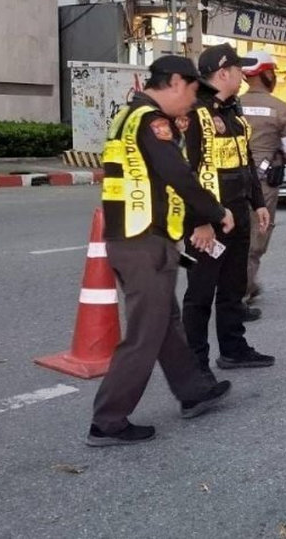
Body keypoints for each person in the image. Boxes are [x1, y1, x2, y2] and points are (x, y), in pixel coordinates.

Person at [90, 55, 233, 446]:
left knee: (165, 324)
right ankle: (108, 420)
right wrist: (215, 211)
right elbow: (177, 175)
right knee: (144, 335)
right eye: (190, 91)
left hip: (139, 238)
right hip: (141, 241)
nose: (192, 101)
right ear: (173, 82)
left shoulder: (130, 115)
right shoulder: (153, 122)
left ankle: (193, 392)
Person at [180, 44, 272, 373]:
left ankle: (233, 348)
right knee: (200, 294)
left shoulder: (232, 109)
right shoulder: (194, 113)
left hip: (238, 216)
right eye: (237, 69)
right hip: (209, 222)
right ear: (222, 73)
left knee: (234, 288)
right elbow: (185, 175)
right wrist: (200, 222)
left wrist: (258, 203)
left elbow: (245, 161)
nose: (242, 74)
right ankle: (195, 367)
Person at [238, 51, 286, 320]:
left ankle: (240, 286)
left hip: (230, 181)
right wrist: (275, 154)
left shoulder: (232, 104)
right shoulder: (280, 108)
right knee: (255, 240)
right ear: (266, 74)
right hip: (263, 185)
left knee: (232, 237)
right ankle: (242, 294)